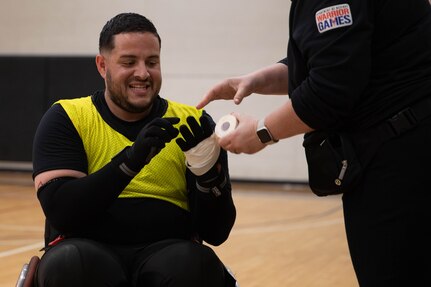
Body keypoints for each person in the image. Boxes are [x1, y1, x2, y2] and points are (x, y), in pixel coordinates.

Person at [197, 1, 431, 286]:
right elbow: (337, 61)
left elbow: (329, 91)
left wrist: (261, 132)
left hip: (399, 159)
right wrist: (257, 80)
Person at [32, 12, 237, 287]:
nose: (143, 73)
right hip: (87, 247)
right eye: (129, 62)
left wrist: (208, 179)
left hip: (168, 250)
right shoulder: (68, 117)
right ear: (102, 66)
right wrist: (130, 161)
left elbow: (217, 232)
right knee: (70, 263)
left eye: (152, 62)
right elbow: (64, 213)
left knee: (197, 266)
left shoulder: (194, 124)